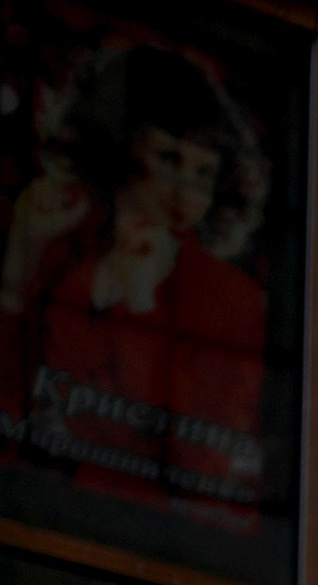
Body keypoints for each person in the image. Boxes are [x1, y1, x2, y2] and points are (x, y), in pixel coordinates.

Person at [0, 41, 270, 535]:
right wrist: (21, 259)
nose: (185, 191)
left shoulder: (233, 300)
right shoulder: (58, 247)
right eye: (169, 158)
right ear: (121, 149)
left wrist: (143, 306)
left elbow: (202, 467)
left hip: (145, 557)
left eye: (204, 173)